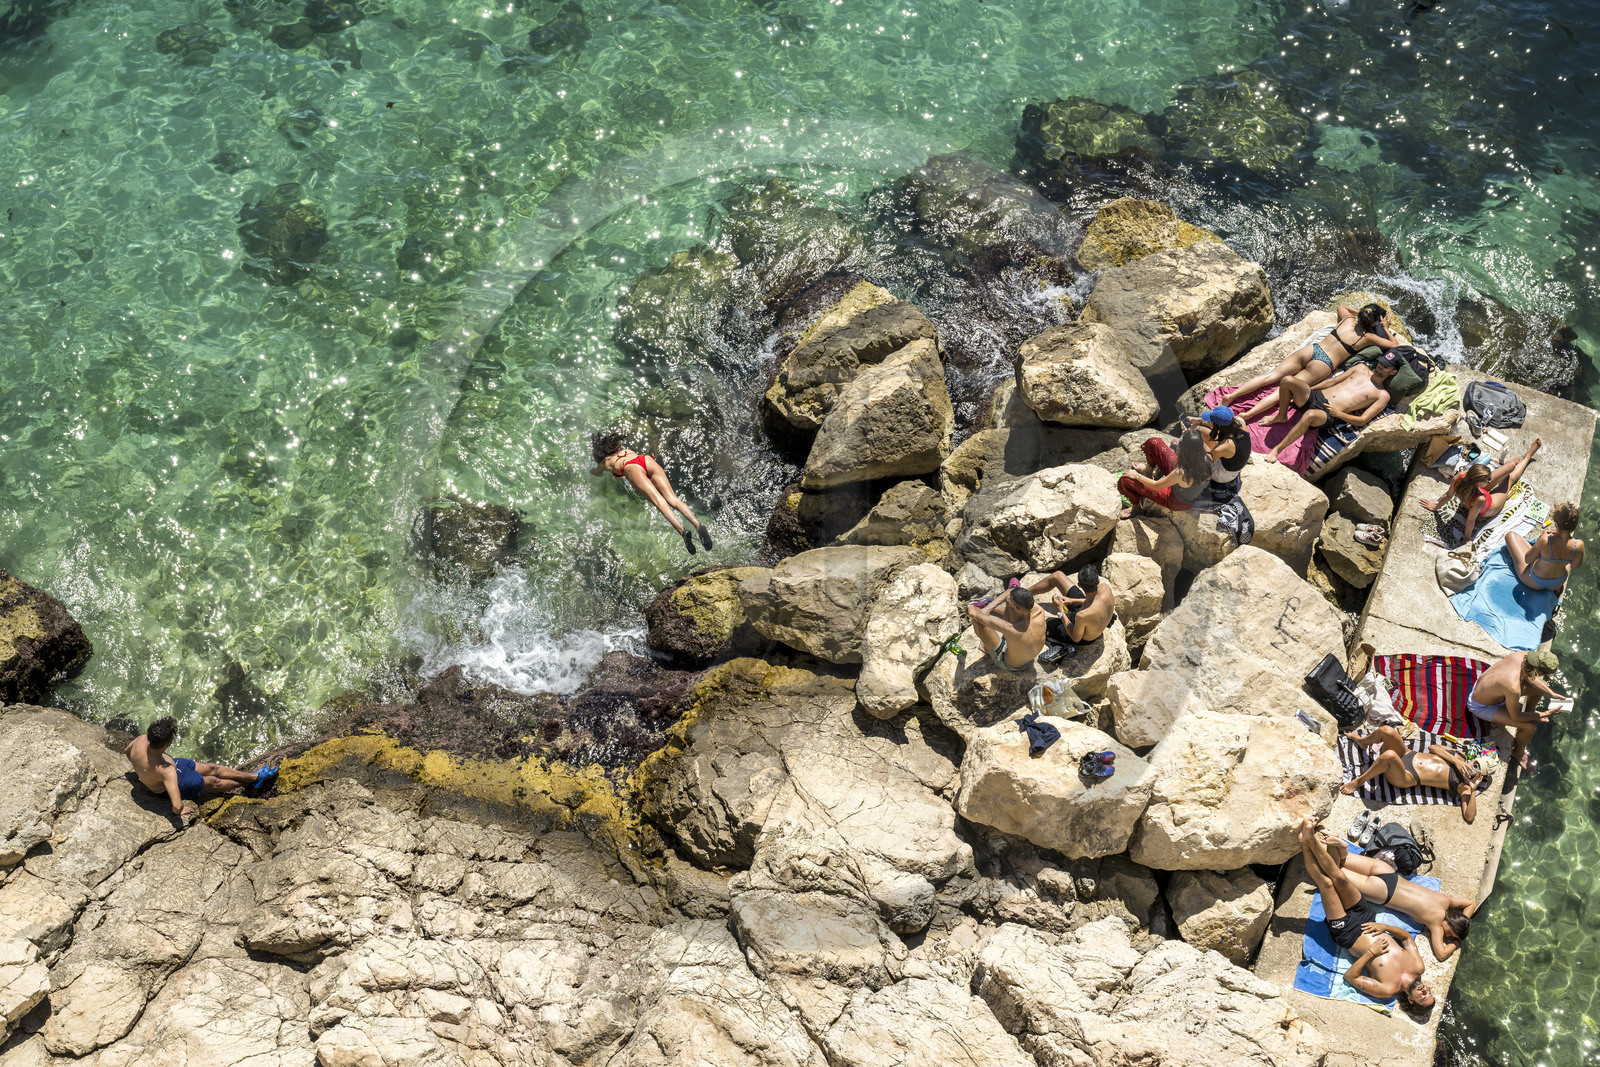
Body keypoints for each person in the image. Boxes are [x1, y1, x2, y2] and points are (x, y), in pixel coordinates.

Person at [1298, 819, 1436, 1010]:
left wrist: (1372, 953)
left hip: (1348, 933)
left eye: (1422, 997)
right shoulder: (1418, 967)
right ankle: (1308, 837)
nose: (1424, 990)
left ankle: (1307, 839)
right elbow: (1405, 938)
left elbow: (1350, 977)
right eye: (1428, 992)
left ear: (1412, 1001)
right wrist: (1384, 927)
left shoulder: (1387, 989)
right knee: (1339, 877)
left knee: (1327, 884)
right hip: (1367, 918)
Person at [1225, 303, 1402, 413]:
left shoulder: (1347, 319)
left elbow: (1342, 307)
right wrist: (1385, 328)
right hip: (1323, 364)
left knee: (1270, 377)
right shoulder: (1367, 337)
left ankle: (1231, 396)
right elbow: (1394, 345)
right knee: (1280, 392)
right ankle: (1247, 415)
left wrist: (1362, 313)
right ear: (1373, 323)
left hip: (1312, 350)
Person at [1325, 838, 1478, 963]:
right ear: (1450, 925)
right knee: (1332, 871)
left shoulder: (1447, 901)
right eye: (1451, 934)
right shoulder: (1436, 925)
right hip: (1382, 891)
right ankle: (1331, 847)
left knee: (1342, 859)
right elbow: (1441, 954)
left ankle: (1340, 845)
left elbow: (1471, 904)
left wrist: (1464, 920)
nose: (1447, 937)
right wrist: (1456, 943)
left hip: (1387, 872)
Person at [1261, 353, 1404, 463]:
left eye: (1386, 366)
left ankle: (1277, 449)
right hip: (1315, 396)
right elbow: (1332, 381)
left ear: (1393, 372)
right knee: (1288, 380)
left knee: (1310, 415)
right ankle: (1281, 416)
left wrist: (1339, 413)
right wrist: (1307, 390)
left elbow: (1362, 420)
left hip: (1328, 413)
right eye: (1382, 362)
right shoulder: (1360, 368)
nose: (1381, 365)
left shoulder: (1382, 395)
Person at [124, 716, 276, 818]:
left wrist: (141, 771)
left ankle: (253, 777)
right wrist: (181, 810)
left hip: (173, 764)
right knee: (213, 781)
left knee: (212, 768)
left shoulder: (141, 740)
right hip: (170, 780)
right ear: (168, 743)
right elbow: (176, 807)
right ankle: (250, 783)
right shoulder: (167, 772)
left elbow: (127, 752)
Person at [591, 432, 713, 555]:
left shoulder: (604, 462)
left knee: (660, 503)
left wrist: (592, 470)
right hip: (646, 459)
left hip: (631, 468)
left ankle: (683, 532)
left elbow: (596, 472)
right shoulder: (625, 451)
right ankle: (698, 526)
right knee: (673, 500)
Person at [1340, 725, 1485, 823]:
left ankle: (1358, 782)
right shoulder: (1459, 756)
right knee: (1387, 730)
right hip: (1407, 754)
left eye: (1476, 770)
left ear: (1478, 775)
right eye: (1475, 763)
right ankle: (1362, 741)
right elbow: (1432, 747)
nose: (1472, 767)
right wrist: (1455, 760)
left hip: (1408, 775)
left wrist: (1472, 789)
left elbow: (1469, 816)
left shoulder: (1465, 787)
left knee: (1389, 755)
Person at [1464, 648, 1570, 770]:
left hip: (1488, 688)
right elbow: (1516, 716)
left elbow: (1529, 676)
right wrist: (1543, 714)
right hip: (1481, 706)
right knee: (1530, 726)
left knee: (1542, 687)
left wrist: (1551, 693)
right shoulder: (1513, 687)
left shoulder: (1523, 655)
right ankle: (1518, 752)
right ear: (1539, 671)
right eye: (1544, 674)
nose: (1545, 676)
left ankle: (1529, 711)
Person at [1421, 438, 1541, 542]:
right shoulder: (1480, 498)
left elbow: (1447, 496)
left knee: (1510, 466)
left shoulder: (1460, 476)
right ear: (1480, 482)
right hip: (1490, 506)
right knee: (1509, 478)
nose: (1490, 481)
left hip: (1474, 490)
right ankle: (1528, 455)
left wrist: (1435, 506)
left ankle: (1513, 464)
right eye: (1487, 480)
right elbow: (1470, 521)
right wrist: (1466, 540)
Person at [1117, 428, 1212, 518]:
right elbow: (1192, 446)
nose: (1178, 443)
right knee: (1154, 443)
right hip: (1182, 485)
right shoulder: (1206, 458)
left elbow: (1156, 485)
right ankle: (1148, 471)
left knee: (1126, 479)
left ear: (1184, 450)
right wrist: (1188, 436)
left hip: (1175, 501)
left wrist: (1137, 475)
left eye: (1180, 443)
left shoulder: (1180, 473)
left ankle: (1137, 508)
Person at [1505, 501, 1583, 593]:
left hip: (1534, 582)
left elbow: (1528, 560)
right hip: (1556, 584)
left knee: (1510, 535)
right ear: (1574, 527)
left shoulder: (1545, 540)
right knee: (1566, 560)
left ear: (1556, 525)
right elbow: (1575, 565)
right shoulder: (1579, 545)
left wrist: (1542, 539)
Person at [1028, 563, 1116, 644]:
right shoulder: (1105, 588)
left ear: (1079, 585)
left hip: (1080, 636)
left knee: (1039, 619)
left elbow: (1075, 638)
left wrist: (1061, 611)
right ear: (1098, 581)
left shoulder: (1082, 615)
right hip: (1089, 615)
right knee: (1057, 576)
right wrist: (1071, 600)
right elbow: (1093, 602)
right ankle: (1024, 593)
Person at [967, 586, 1047, 673]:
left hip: (1010, 664)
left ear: (1017, 609)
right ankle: (989, 605)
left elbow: (972, 612)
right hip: (1029, 658)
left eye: (1011, 600)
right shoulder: (1039, 611)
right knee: (1009, 602)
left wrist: (977, 610)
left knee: (978, 622)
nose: (1008, 599)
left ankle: (986, 648)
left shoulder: (1011, 629)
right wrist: (988, 608)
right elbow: (1011, 591)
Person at [1183, 406, 1251, 502]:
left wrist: (1189, 437)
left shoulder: (1224, 447)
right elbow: (1219, 426)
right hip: (1234, 463)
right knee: (1198, 428)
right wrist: (1197, 421)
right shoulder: (1239, 421)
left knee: (1196, 438)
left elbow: (1206, 460)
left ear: (1219, 426)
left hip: (1224, 475)